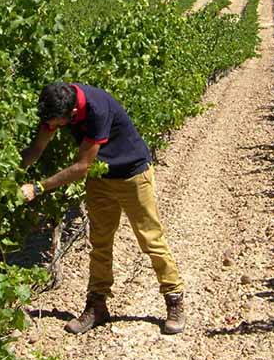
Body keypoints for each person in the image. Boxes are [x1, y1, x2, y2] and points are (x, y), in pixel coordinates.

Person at [20, 82, 185, 335]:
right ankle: (97, 306)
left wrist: (38, 188)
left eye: (56, 123)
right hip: (100, 178)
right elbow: (37, 148)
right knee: (100, 242)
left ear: (72, 114)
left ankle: (174, 299)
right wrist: (12, 173)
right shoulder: (57, 104)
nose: (52, 127)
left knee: (151, 240)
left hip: (132, 175)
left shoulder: (97, 109)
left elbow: (81, 166)